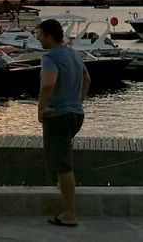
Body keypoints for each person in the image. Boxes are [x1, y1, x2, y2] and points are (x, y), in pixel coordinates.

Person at [37, 18, 89, 227]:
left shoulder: (50, 57)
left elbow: (48, 83)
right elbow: (87, 80)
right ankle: (67, 208)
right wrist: (78, 102)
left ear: (49, 36)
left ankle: (70, 213)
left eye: (40, 35)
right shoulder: (73, 53)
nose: (39, 38)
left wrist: (41, 108)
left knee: (63, 165)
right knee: (62, 158)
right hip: (76, 114)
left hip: (58, 116)